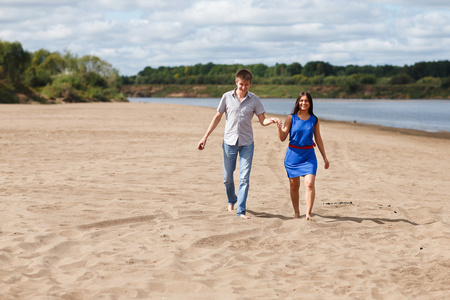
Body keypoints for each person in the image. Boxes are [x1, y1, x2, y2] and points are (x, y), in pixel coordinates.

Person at [197, 69, 279, 219]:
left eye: (247, 85)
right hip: (229, 142)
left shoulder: (254, 100)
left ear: (250, 84)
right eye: (241, 84)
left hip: (247, 143)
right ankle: (232, 200)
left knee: (244, 178)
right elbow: (217, 117)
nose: (244, 87)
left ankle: (240, 210)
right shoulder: (226, 97)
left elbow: (262, 120)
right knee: (227, 177)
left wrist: (271, 120)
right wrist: (205, 137)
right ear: (236, 82)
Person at [276, 91, 330, 220]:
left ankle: (308, 214)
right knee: (294, 185)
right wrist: (279, 128)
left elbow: (319, 139)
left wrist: (325, 157)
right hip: (293, 156)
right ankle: (296, 212)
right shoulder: (291, 118)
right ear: (298, 102)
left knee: (309, 184)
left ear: (310, 103)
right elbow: (283, 137)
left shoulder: (314, 119)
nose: (304, 103)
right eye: (301, 101)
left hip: (309, 156)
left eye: (306, 101)